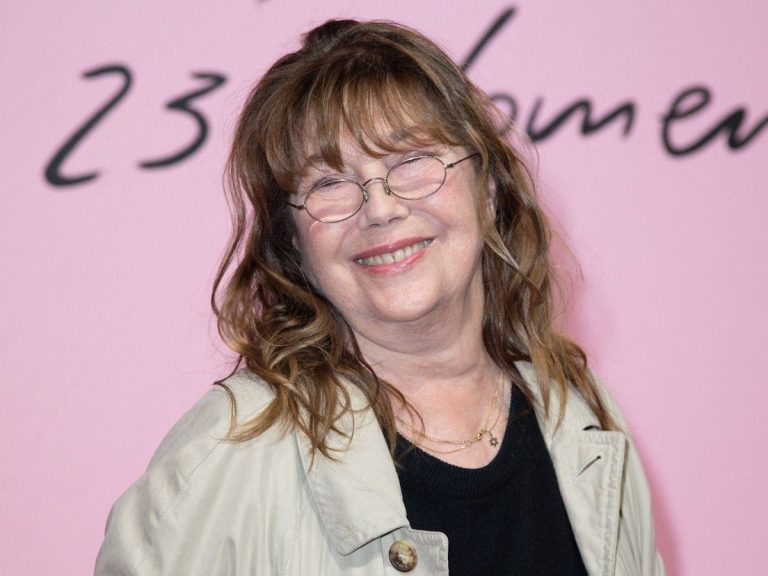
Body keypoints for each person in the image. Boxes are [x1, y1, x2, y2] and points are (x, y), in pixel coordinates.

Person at [95, 18, 664, 576]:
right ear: (293, 245)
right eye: (329, 183)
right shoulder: (231, 448)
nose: (381, 207)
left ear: (488, 189)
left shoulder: (584, 420)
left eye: (412, 161)